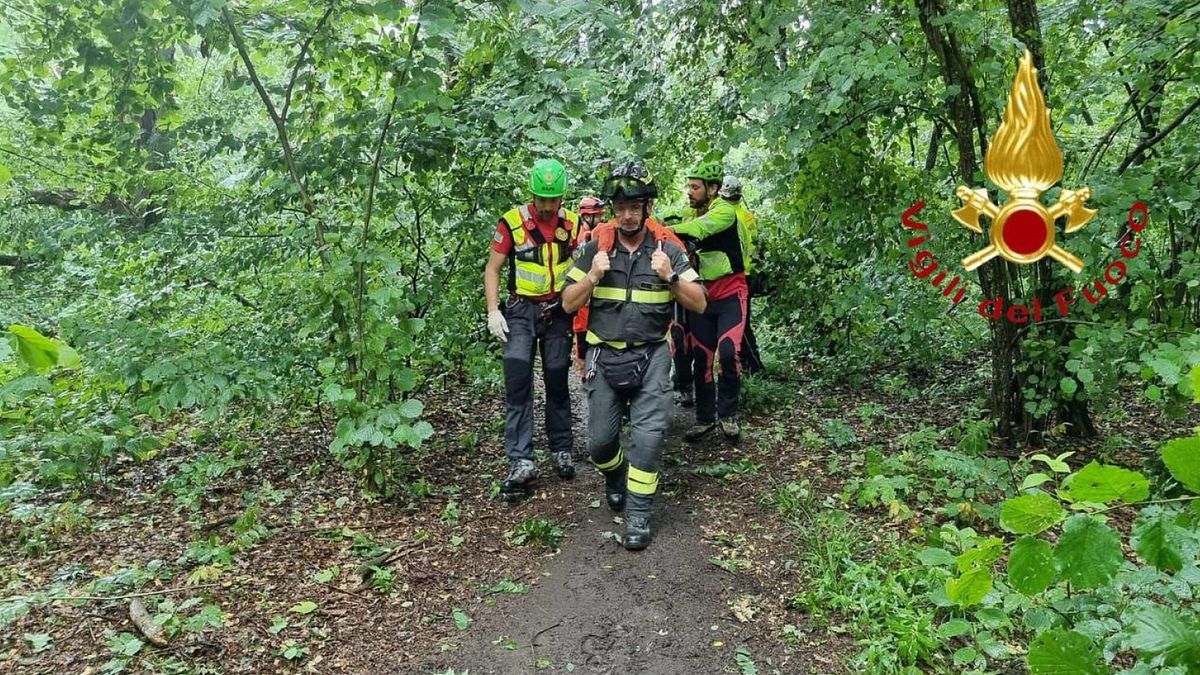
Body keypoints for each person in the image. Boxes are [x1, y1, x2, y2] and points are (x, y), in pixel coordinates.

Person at [561, 162, 706, 550]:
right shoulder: (595, 248)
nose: (627, 215)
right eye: (621, 207)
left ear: (647, 208)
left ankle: (638, 514)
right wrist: (592, 276)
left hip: (651, 356)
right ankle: (615, 474)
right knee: (600, 444)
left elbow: (700, 302)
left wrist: (670, 277)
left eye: (635, 207)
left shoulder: (667, 249)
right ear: (613, 209)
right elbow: (567, 303)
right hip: (604, 356)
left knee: (649, 438)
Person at [483, 159, 582, 501]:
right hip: (520, 310)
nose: (547, 206)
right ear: (532, 195)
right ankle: (521, 459)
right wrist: (493, 311)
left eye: (553, 200)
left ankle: (562, 448)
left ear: (562, 198)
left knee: (557, 377)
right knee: (518, 380)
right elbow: (493, 269)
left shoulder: (572, 223)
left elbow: (584, 265)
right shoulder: (512, 223)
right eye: (542, 199)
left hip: (558, 310)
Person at [667, 160, 748, 441]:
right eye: (688, 186)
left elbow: (697, 229)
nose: (689, 192)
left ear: (712, 189)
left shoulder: (724, 211)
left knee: (728, 352)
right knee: (701, 358)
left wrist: (664, 231)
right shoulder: (690, 211)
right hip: (702, 295)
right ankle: (704, 419)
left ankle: (728, 415)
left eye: (695, 187)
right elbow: (672, 218)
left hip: (731, 292)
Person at [719, 177, 764, 376]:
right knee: (742, 322)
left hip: (736, 275)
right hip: (749, 273)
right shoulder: (747, 215)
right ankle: (748, 364)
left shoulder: (724, 216)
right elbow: (755, 244)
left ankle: (753, 365)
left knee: (741, 324)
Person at [572, 196, 606, 375]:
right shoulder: (578, 237)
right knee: (582, 335)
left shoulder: (600, 232)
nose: (601, 219)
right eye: (597, 216)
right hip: (583, 294)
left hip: (598, 294)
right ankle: (585, 372)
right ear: (586, 216)